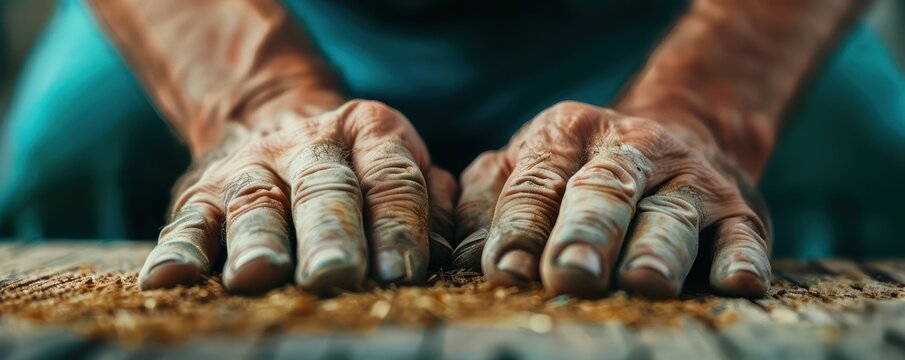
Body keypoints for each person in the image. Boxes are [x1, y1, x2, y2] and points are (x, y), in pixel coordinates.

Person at [1, 0, 903, 298]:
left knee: (856, 165)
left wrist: (702, 113)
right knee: (71, 163)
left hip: (675, 19)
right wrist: (256, 101)